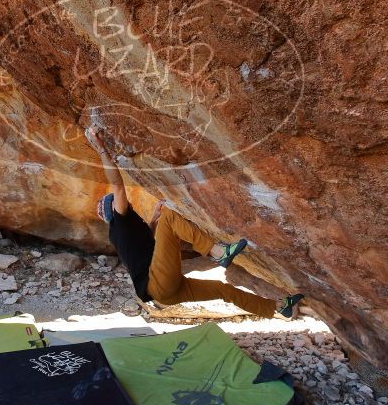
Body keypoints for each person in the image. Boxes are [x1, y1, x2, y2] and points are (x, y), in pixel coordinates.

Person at [86, 126, 304, 319]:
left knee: (223, 290)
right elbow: (117, 184)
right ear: (114, 209)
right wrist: (101, 148)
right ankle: (218, 252)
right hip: (158, 284)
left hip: (167, 290)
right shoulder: (120, 221)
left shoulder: (125, 230)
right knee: (170, 218)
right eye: (117, 202)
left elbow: (142, 245)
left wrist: (153, 218)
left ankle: (278, 307)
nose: (126, 203)